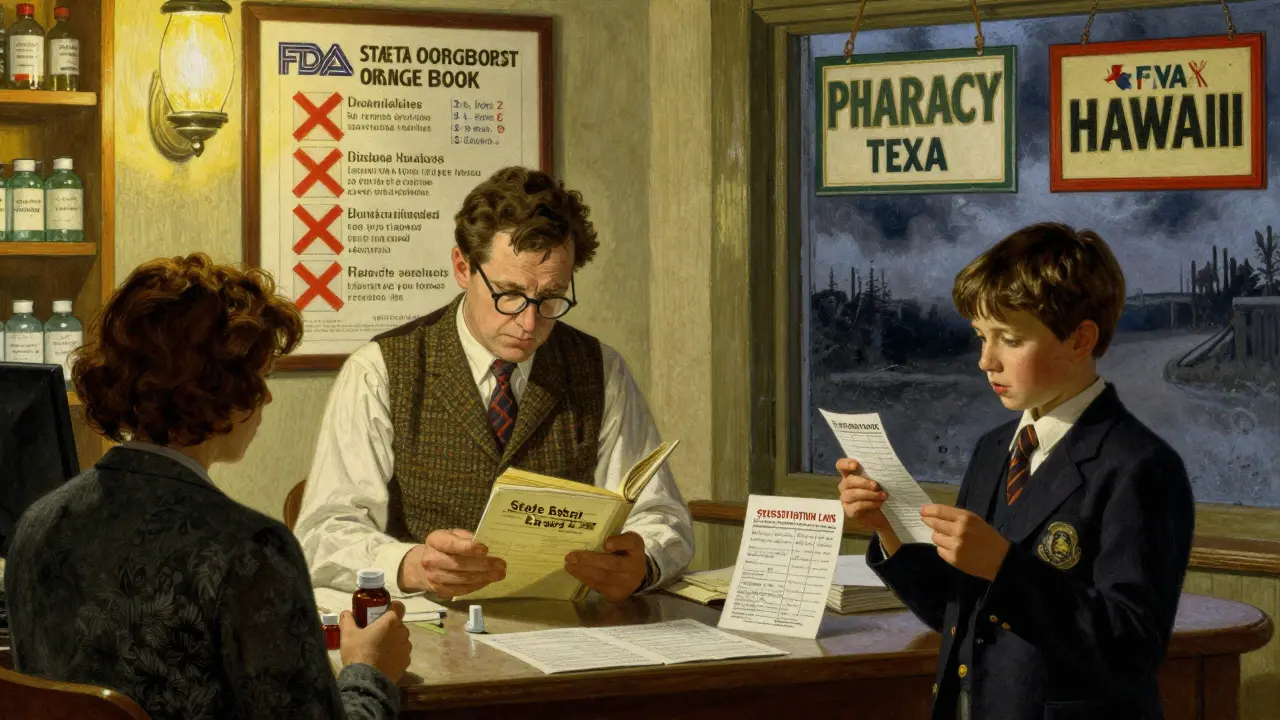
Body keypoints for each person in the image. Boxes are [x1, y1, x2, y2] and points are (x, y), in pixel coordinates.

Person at [4, 254, 412, 720]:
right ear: (223, 393)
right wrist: (370, 671)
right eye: (259, 378)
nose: (268, 396)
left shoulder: (37, 524)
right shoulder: (249, 551)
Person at [837, 223, 1194, 719]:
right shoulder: (993, 450)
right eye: (981, 337)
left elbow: (1132, 649)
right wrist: (890, 531)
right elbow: (956, 614)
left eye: (1009, 338)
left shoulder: (1141, 467)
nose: (986, 360)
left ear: (1080, 340)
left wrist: (1004, 565)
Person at [295, 166, 693, 603]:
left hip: (564, 631)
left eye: (551, 299)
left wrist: (644, 563)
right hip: (425, 633)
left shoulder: (601, 369)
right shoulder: (380, 370)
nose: (529, 323)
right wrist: (410, 565)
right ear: (463, 267)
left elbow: (661, 516)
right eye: (509, 293)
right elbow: (323, 533)